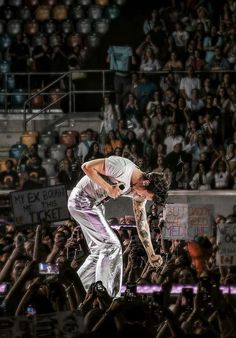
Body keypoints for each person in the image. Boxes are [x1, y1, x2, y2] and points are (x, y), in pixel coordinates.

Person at [68, 156, 169, 297]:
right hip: (81, 200)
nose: (142, 198)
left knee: (99, 251)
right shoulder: (122, 167)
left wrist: (151, 253)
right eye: (146, 196)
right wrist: (109, 188)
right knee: (112, 245)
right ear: (145, 182)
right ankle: (106, 295)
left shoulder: (139, 190)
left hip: (94, 205)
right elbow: (86, 167)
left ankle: (73, 287)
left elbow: (141, 223)